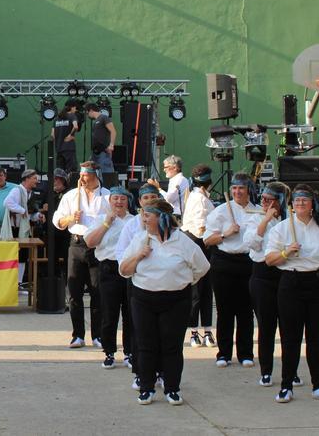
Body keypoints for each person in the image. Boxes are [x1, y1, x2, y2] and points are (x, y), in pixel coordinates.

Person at [119, 200, 210, 406]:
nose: (144, 218)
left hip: (175, 300)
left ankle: (172, 388)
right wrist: (138, 255)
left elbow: (202, 267)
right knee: (146, 345)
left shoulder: (183, 241)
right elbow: (124, 270)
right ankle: (147, 388)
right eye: (143, 215)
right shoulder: (140, 239)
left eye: (148, 215)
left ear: (163, 218)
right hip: (143, 299)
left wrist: (183, 280)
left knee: (172, 346)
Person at [264, 184, 319, 403]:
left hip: (317, 283)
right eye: (296, 201)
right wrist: (286, 252)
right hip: (291, 282)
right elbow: (269, 260)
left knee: (316, 339)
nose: (299, 204)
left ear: (312, 205)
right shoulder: (282, 228)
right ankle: (286, 386)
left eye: (304, 201)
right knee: (291, 339)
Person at [202, 173, 259, 369]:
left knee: (246, 310)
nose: (237, 192)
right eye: (234, 188)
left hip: (248, 262)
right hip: (224, 262)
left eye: (241, 188)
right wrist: (225, 234)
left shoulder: (258, 212)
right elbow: (207, 241)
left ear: (248, 190)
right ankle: (224, 353)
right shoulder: (220, 212)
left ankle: (245, 353)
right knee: (225, 310)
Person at [53, 161, 110, 348]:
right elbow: (58, 221)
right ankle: (77, 334)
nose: (84, 180)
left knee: (97, 293)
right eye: (82, 177)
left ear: (95, 175)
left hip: (98, 247)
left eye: (88, 177)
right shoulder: (71, 195)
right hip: (77, 244)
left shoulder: (107, 196)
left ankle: (98, 335)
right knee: (74, 292)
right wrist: (71, 218)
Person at [245, 182, 292, 388]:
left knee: (289, 327)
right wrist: (265, 220)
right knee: (266, 326)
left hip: (285, 274)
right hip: (262, 275)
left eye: (269, 199)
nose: (264, 202)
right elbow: (252, 244)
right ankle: (266, 371)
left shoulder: (290, 219)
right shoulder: (254, 217)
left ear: (280, 201)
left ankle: (291, 372)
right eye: (262, 198)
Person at [85, 185, 134, 370]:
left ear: (128, 201)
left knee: (130, 313)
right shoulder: (100, 219)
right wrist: (107, 223)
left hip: (129, 268)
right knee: (109, 312)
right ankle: (109, 352)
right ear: (109, 201)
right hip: (108, 268)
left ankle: (130, 352)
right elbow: (90, 242)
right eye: (115, 199)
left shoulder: (135, 220)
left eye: (122, 199)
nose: (119, 202)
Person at [183, 164, 215, 348]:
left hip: (202, 245)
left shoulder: (200, 196)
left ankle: (208, 330)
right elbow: (199, 227)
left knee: (206, 291)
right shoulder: (198, 199)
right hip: (198, 244)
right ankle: (194, 332)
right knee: (196, 291)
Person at [86, 103, 118, 182]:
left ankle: (109, 190)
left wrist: (111, 145)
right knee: (89, 171)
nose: (87, 115)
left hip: (103, 151)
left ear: (91, 110)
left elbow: (113, 131)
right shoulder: (95, 121)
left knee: (106, 173)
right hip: (95, 153)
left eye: (87, 113)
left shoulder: (104, 117)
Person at [52, 100, 82, 173]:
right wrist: (70, 135)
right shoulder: (72, 116)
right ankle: (71, 184)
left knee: (59, 172)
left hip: (58, 148)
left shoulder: (56, 119)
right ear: (72, 107)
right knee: (71, 170)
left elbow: (52, 135)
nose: (75, 110)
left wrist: (58, 143)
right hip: (69, 148)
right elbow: (75, 127)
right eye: (75, 108)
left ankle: (60, 184)